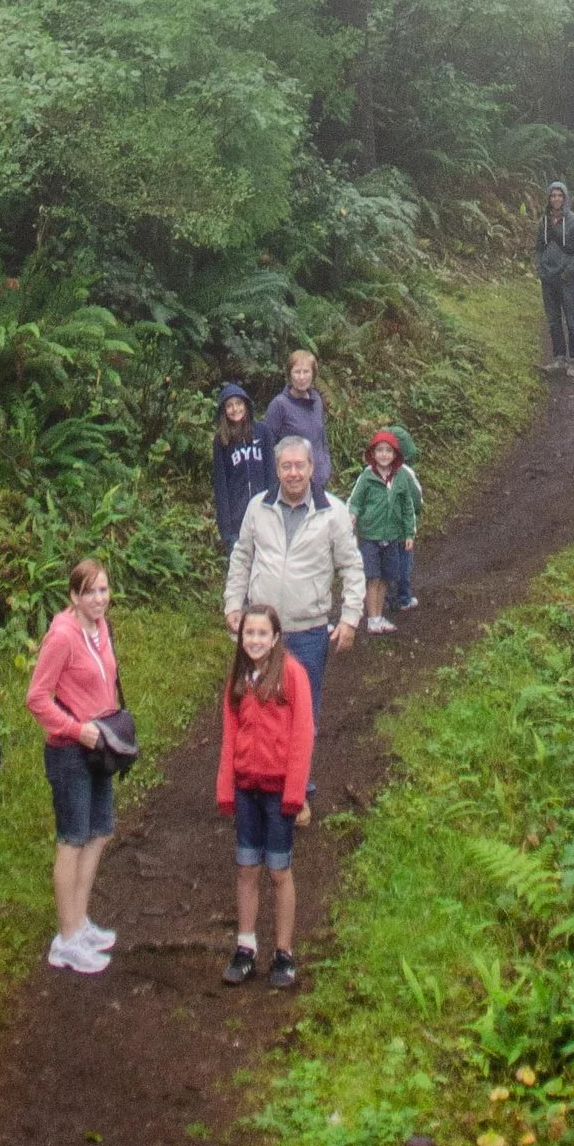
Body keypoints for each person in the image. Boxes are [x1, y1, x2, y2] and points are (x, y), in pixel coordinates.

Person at [222, 433, 362, 772]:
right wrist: (232, 604)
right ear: (277, 469)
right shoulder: (259, 506)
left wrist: (350, 618)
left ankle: (298, 789)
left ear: (312, 467)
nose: (294, 473)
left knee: (302, 713)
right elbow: (241, 557)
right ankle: (258, 780)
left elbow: (352, 565)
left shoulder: (333, 512)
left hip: (309, 632)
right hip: (261, 633)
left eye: (300, 465)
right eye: (286, 466)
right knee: (256, 707)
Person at [26, 553, 123, 975]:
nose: (99, 599)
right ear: (74, 596)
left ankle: (80, 922)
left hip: (102, 747)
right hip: (70, 751)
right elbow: (36, 698)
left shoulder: (101, 629)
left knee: (100, 832)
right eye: (91, 592)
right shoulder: (61, 637)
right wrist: (73, 729)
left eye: (104, 590)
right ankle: (65, 939)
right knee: (73, 837)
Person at [216, 599, 313, 990]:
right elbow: (229, 736)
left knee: (279, 870)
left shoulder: (291, 674)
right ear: (241, 637)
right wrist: (226, 787)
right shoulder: (239, 678)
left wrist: (294, 792)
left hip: (277, 793)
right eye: (248, 633)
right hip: (246, 789)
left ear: (275, 638)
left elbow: (303, 734)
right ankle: (245, 946)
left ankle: (284, 952)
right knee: (246, 869)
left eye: (262, 633)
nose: (254, 640)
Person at [347, 423, 420, 634]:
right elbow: (356, 501)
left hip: (393, 535)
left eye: (388, 451)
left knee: (386, 578)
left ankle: (379, 617)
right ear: (372, 453)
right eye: (380, 450)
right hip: (370, 535)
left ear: (395, 454)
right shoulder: (367, 476)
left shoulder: (401, 477)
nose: (384, 455)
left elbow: (408, 506)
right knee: (373, 577)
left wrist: (408, 533)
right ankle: (372, 618)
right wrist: (352, 515)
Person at [262, 343, 332, 491]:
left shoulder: (317, 400)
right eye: (297, 372)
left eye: (306, 372)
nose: (301, 377)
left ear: (313, 374)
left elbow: (322, 439)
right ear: (289, 375)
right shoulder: (279, 405)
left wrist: (326, 468)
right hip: (292, 485)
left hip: (319, 483)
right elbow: (267, 447)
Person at [535, 179, 574, 375]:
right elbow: (539, 248)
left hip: (566, 279)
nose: (556, 199)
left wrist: (568, 271)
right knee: (553, 320)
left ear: (565, 198)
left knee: (572, 320)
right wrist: (540, 268)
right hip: (548, 278)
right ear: (548, 198)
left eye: (559, 195)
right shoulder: (544, 222)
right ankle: (559, 358)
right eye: (553, 195)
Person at [211, 379, 270, 548]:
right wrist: (226, 527)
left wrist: (273, 504)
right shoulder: (221, 441)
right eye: (229, 405)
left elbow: (271, 472)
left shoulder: (263, 432)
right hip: (237, 519)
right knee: (238, 570)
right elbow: (221, 485)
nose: (235, 409)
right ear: (223, 410)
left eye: (238, 403)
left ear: (246, 404)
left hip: (264, 515)